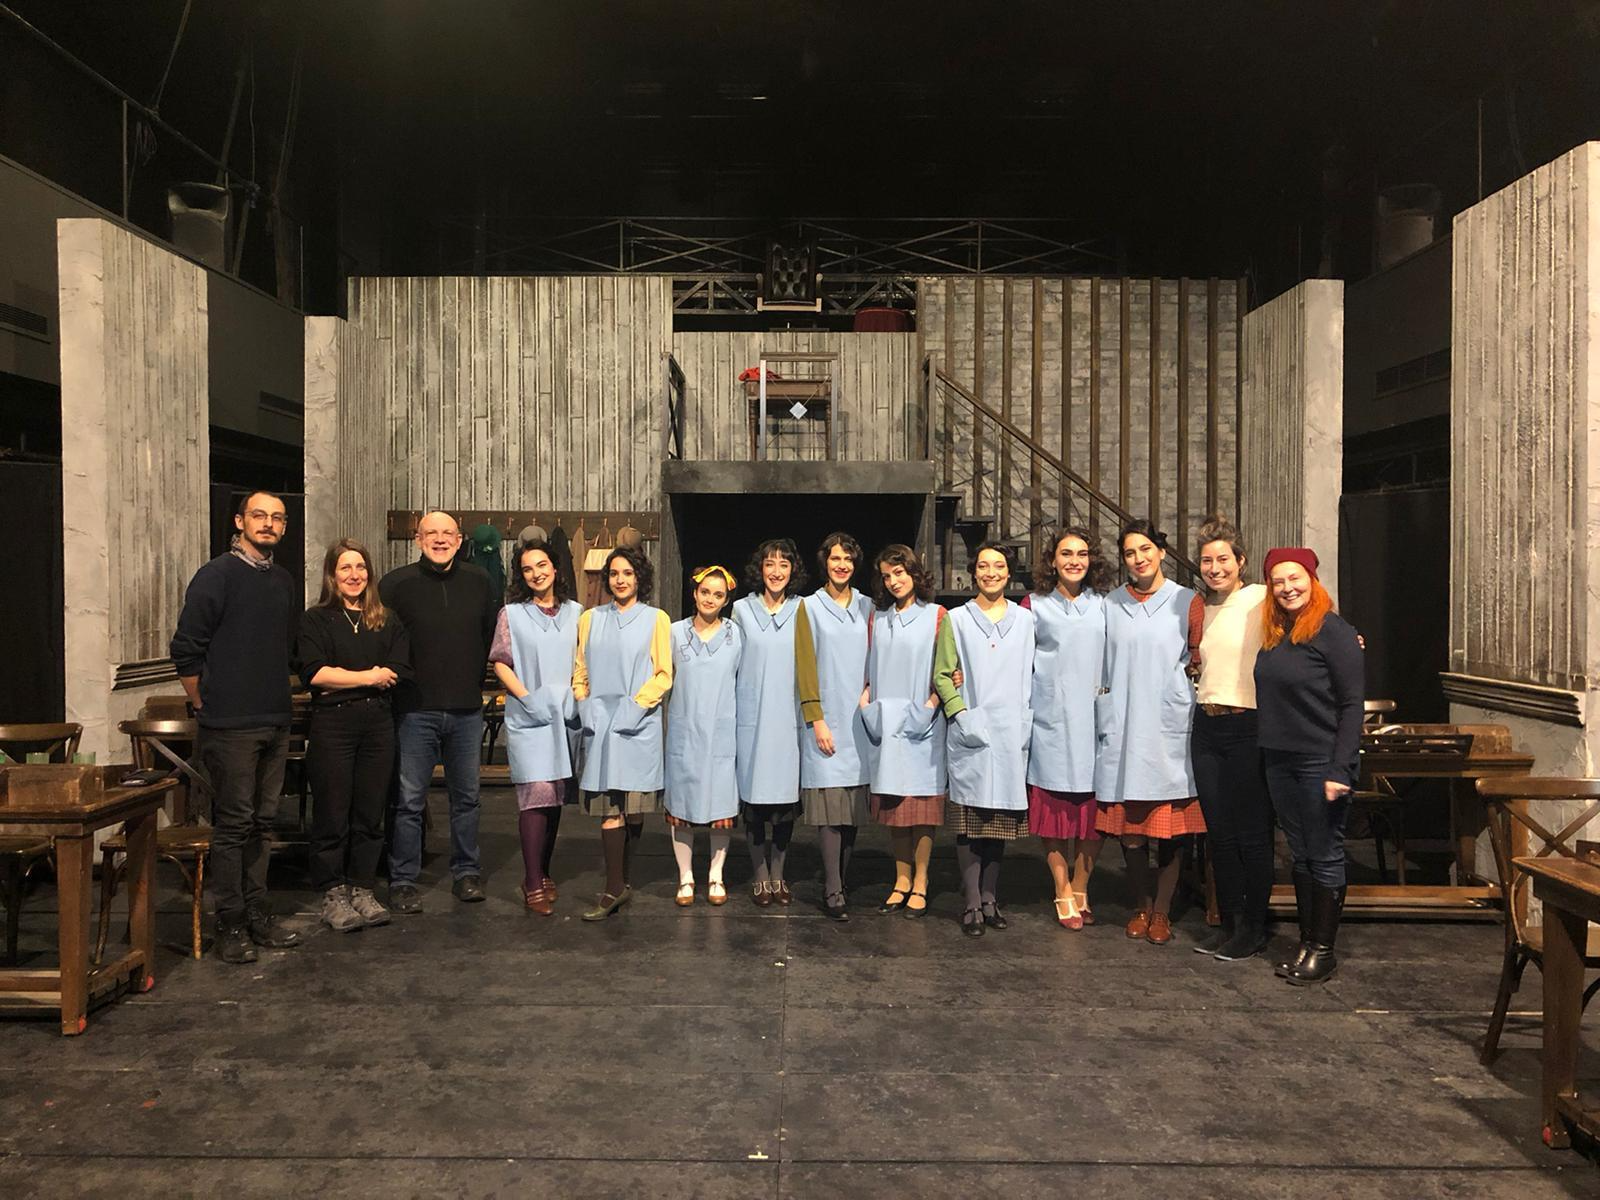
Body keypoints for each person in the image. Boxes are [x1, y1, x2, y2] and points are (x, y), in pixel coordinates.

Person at [170, 490, 302, 964]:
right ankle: (229, 922)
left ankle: (257, 913)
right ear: (240, 521)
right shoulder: (216, 575)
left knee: (263, 824)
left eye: (277, 518)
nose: (268, 524)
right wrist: (201, 700)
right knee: (233, 825)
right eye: (259, 515)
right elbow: (186, 647)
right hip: (230, 724)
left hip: (274, 718)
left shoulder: (283, 580)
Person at [379, 511, 499, 913]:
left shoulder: (480, 582)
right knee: (409, 801)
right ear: (418, 540)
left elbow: (488, 637)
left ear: (460, 540)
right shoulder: (395, 585)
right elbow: (383, 641)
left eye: (448, 533)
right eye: (431, 533)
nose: (440, 539)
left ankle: (467, 872)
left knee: (467, 799)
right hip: (414, 710)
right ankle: (403, 880)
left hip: (466, 709)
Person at [1094, 519, 1206, 947]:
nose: (1138, 558)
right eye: (1129, 552)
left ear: (1161, 551)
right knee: (1132, 826)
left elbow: (1199, 657)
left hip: (1166, 726)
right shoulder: (1111, 604)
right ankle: (1140, 905)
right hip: (1124, 725)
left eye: (1145, 549)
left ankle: (1162, 910)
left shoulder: (1186, 601)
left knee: (1170, 827)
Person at [1255, 547, 1363, 985]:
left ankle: (1323, 951)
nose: (1287, 588)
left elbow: (1352, 705)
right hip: (1280, 758)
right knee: (1301, 855)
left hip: (1320, 760)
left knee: (1324, 853)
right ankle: (1307, 943)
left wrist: (1341, 769)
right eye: (1278, 581)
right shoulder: (1276, 632)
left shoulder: (1334, 631)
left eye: (1295, 578)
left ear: (1312, 580)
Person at [297, 539, 411, 933]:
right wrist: (369, 677)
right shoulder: (316, 620)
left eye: (360, 567)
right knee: (332, 812)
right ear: (332, 575)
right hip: (333, 724)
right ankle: (333, 894)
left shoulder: (386, 619)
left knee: (369, 811)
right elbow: (315, 673)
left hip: (378, 723)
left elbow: (397, 669)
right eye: (345, 568)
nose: (354, 575)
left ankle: (363, 888)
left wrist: (346, 678)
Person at [935, 542, 1035, 938]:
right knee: (971, 823)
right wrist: (960, 713)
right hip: (972, 729)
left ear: (1009, 573)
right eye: (983, 566)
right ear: (973, 572)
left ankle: (991, 897)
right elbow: (943, 674)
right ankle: (972, 901)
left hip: (1010, 732)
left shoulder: (1025, 621)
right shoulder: (957, 620)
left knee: (1000, 824)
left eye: (998, 566)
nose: (990, 573)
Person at [574, 544, 673, 921]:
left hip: (637, 724)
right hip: (600, 724)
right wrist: (585, 703)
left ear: (639, 577)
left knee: (633, 808)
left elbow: (663, 673)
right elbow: (580, 669)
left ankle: (624, 877)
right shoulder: (590, 619)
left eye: (627, 573)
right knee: (609, 808)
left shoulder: (656, 619)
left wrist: (635, 706)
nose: (620, 580)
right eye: (614, 574)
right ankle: (613, 887)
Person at [1021, 526, 1112, 930]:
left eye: (1081, 553)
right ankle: (1061, 888)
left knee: (1093, 814)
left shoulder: (1105, 605)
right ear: (1052, 560)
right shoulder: (1035, 606)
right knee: (1054, 812)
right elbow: (1017, 660)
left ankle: (1081, 887)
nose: (1074, 561)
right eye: (1066, 553)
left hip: (1094, 719)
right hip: (1052, 720)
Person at [1190, 516, 1274, 961]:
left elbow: (1316, 612)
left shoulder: (1260, 597)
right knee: (1219, 834)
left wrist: (1346, 638)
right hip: (1206, 726)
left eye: (1223, 558)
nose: (1215, 567)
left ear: (1241, 561)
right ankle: (1229, 922)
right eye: (1207, 560)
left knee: (1252, 834)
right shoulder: (1201, 608)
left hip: (1247, 725)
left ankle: (1255, 927)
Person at [490, 538, 583, 915]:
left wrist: (578, 697)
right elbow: (501, 662)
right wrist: (527, 697)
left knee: (555, 794)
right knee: (536, 793)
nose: (536, 573)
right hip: (529, 715)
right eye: (528, 569)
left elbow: (584, 661)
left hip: (565, 715)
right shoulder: (511, 615)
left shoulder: (577, 613)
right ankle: (531, 882)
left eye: (542, 565)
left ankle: (544, 872)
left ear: (555, 568)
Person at [862, 544, 946, 919]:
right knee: (895, 808)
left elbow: (948, 666)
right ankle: (901, 879)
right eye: (887, 576)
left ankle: (922, 880)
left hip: (924, 724)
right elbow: (869, 663)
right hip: (888, 722)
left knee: (922, 809)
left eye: (899, 572)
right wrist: (866, 700)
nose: (894, 581)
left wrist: (930, 704)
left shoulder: (937, 616)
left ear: (914, 572)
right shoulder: (878, 619)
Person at [796, 532, 873, 921]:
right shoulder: (809, 607)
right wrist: (817, 718)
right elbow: (805, 666)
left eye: (848, 558)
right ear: (824, 562)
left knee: (851, 808)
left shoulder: (868, 606)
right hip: (826, 718)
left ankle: (841, 881)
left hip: (859, 718)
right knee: (829, 807)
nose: (841, 565)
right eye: (835, 558)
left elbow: (880, 655)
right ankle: (832, 888)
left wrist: (872, 689)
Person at [730, 539, 807, 906]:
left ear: (793, 570)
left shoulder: (802, 609)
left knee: (784, 805)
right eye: (770, 564)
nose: (776, 572)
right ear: (759, 569)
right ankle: (760, 875)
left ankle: (779, 873)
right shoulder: (742, 610)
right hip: (752, 719)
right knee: (756, 804)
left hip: (788, 719)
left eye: (784, 565)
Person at [664, 566, 743, 906]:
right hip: (685, 732)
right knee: (681, 806)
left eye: (718, 594)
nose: (710, 599)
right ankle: (685, 877)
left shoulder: (735, 635)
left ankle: (715, 875)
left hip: (721, 732)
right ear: (695, 593)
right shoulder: (674, 632)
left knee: (720, 807)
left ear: (726, 601)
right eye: (705, 592)